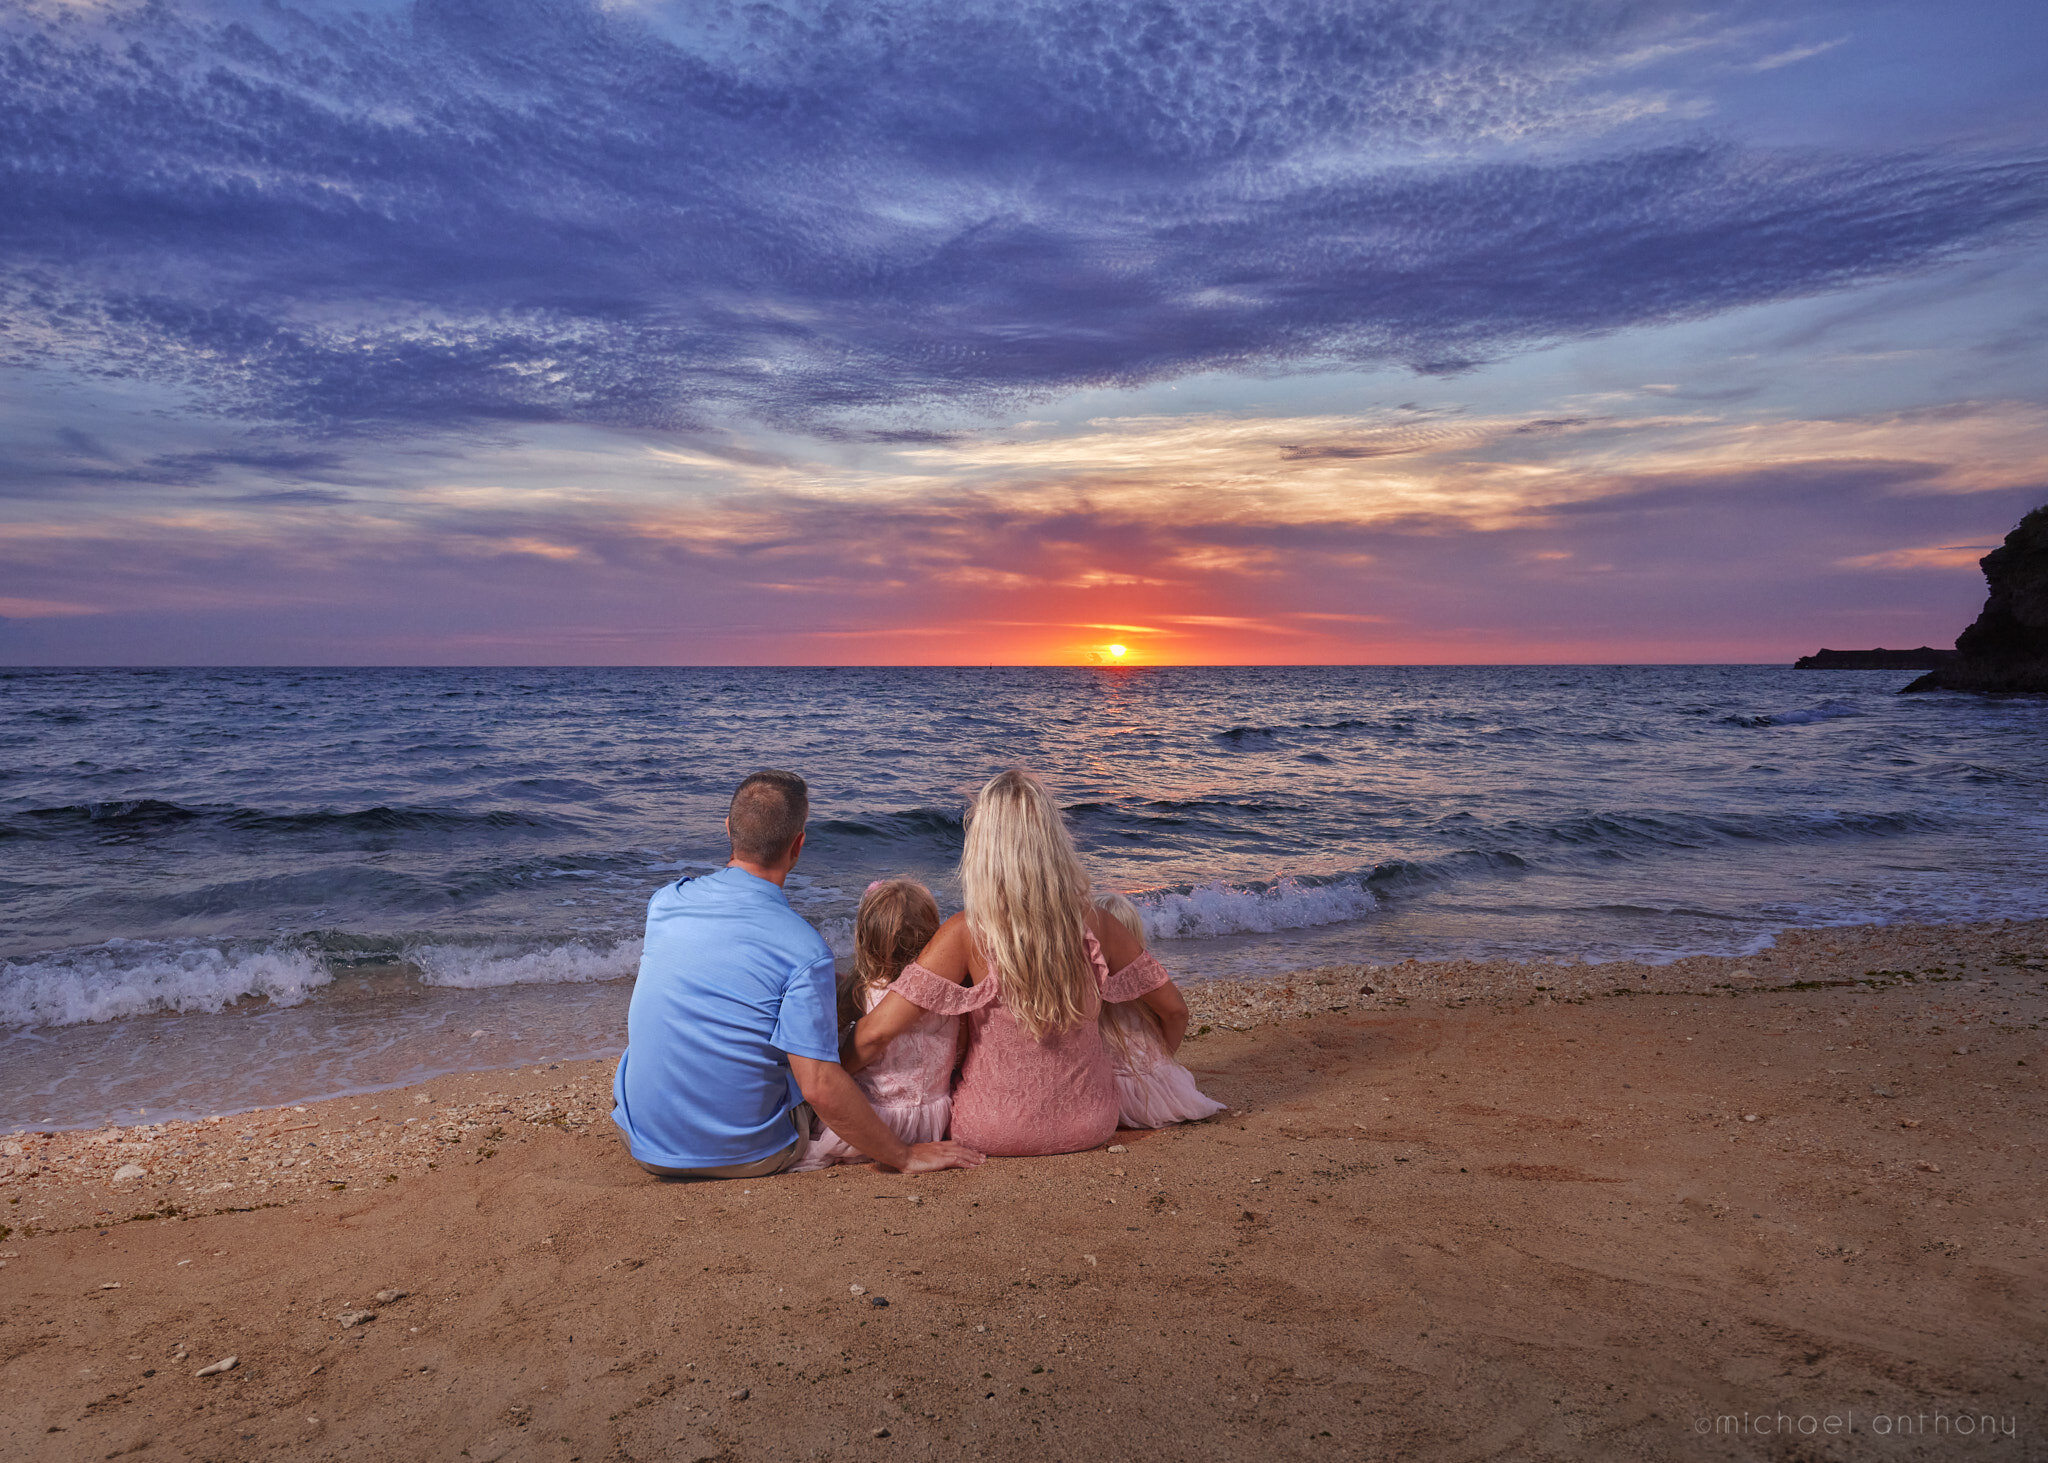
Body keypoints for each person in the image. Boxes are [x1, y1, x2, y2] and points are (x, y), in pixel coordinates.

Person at [611, 770, 982, 1179]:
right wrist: (906, 1156)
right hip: (750, 1152)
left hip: (642, 1141)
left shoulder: (664, 903)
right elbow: (819, 1085)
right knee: (809, 1062)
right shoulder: (804, 950)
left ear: (728, 829)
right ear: (799, 844)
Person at [848, 769, 1192, 1157]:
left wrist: (824, 1083)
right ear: (1053, 841)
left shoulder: (967, 931)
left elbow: (875, 1034)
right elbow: (1176, 1011)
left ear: (983, 848)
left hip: (990, 1129)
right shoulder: (1098, 923)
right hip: (1092, 1124)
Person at [793, 877, 959, 1171]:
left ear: (866, 940)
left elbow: (831, 1053)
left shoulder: (860, 994)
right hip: (932, 1122)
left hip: (870, 1126)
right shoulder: (950, 995)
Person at [1094, 891, 1226, 1128]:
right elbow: (1177, 1014)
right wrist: (1164, 1061)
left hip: (1103, 1095)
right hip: (1156, 1095)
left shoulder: (1087, 986)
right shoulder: (1146, 983)